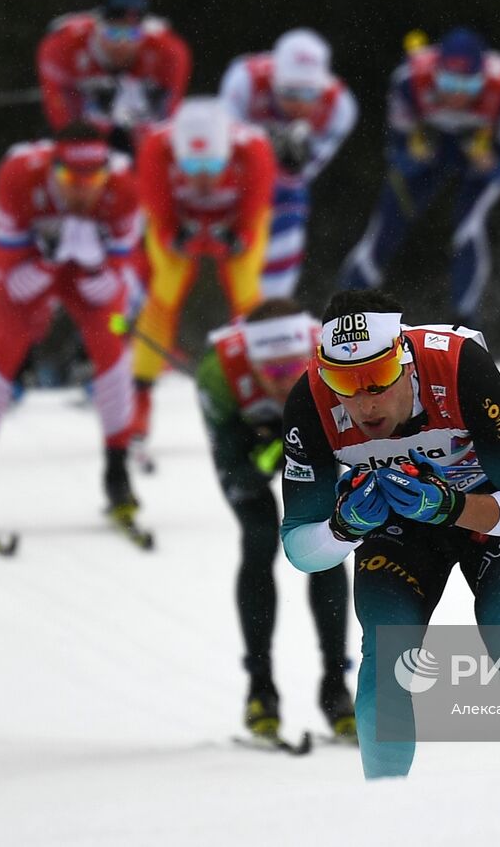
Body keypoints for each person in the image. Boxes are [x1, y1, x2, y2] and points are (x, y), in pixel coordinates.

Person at [279, 289, 500, 779]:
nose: (365, 402)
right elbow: (302, 549)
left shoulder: (456, 365)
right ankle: (386, 812)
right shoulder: (309, 400)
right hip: (396, 530)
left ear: (406, 358)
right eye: (344, 382)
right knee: (387, 650)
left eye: (379, 377)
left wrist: (453, 507)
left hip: (488, 518)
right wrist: (344, 528)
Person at [0, 122, 141, 528]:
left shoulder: (125, 189)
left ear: (106, 173)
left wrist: (92, 263)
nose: (80, 191)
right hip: (29, 266)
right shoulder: (18, 177)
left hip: (88, 274)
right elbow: (12, 291)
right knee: (4, 344)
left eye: (92, 180)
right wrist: (48, 258)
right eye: (68, 180)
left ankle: (118, 474)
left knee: (111, 345)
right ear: (52, 169)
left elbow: (112, 291)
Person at [194, 298, 354, 742]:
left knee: (324, 544)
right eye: (275, 372)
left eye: (296, 369)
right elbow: (234, 469)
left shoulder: (333, 360)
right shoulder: (220, 374)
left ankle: (337, 686)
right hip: (247, 437)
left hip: (308, 437)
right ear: (252, 361)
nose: (287, 381)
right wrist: (263, 456)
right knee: (260, 537)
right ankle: (260, 688)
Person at [337, 28, 500, 326]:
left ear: (484, 77)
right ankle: (343, 313)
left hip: (475, 158)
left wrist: (490, 163)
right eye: (448, 82)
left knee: (469, 228)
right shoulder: (409, 80)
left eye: (469, 84)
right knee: (384, 229)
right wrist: (413, 153)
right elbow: (395, 150)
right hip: (431, 154)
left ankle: (465, 323)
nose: (457, 94)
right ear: (436, 74)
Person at [130, 97, 277, 454]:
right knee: (163, 293)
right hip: (179, 220)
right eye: (192, 165)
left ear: (226, 150)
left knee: (247, 297)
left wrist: (239, 237)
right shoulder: (155, 146)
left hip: (235, 220)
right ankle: (140, 398)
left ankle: (258, 393)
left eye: (212, 163)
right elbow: (157, 208)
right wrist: (172, 237)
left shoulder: (254, 147)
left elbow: (256, 206)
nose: (203, 175)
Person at [220, 29, 358, 299]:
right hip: (232, 178)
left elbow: (304, 173)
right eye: (288, 92)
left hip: (281, 185)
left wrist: (293, 161)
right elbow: (221, 146)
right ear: (273, 79)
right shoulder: (245, 79)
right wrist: (262, 147)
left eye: (308, 95)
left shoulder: (341, 107)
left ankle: (274, 300)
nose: (296, 104)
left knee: (292, 199)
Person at [36, 0, 191, 155]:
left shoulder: (168, 50)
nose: (123, 44)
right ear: (97, 28)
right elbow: (59, 112)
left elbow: (169, 115)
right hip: (84, 113)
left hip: (140, 119)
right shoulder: (62, 46)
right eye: (114, 33)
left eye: (133, 34)